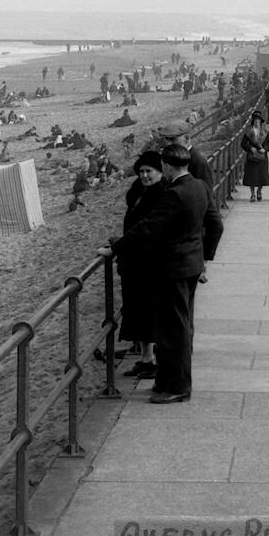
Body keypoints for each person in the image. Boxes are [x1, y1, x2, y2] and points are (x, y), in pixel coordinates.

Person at [97, 144, 223, 404]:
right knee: (179, 327)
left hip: (173, 270)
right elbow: (216, 225)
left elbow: (148, 227)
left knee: (174, 331)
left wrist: (117, 247)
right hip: (190, 267)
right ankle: (165, 381)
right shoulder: (199, 186)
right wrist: (203, 257)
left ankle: (178, 388)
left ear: (166, 166)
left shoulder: (174, 193)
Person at [115, 151, 166, 377]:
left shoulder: (162, 194)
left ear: (160, 172)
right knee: (137, 310)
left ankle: (153, 361)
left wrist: (120, 245)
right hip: (134, 262)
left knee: (150, 311)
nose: (144, 175)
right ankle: (146, 358)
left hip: (150, 262)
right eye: (142, 171)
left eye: (149, 171)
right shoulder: (138, 190)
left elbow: (148, 228)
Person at [240, 110, 269, 202]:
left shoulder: (265, 131)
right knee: (252, 177)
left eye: (258, 120)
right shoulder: (249, 131)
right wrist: (251, 148)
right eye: (255, 120)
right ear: (253, 121)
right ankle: (252, 194)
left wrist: (265, 149)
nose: (257, 122)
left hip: (262, 156)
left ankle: (259, 191)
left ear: (261, 121)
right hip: (252, 157)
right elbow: (243, 144)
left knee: (262, 176)